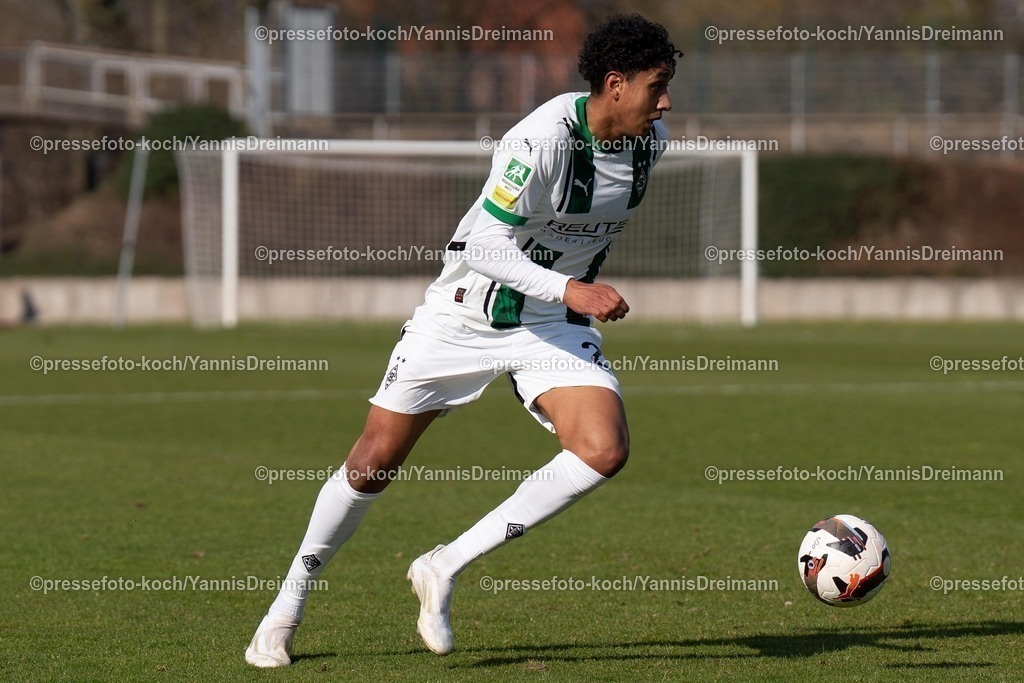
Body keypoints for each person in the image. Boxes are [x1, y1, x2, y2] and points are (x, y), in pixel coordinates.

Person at [245, 13, 680, 667]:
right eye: (657, 86)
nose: (667, 102)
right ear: (615, 85)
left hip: (547, 325)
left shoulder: (652, 143)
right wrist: (572, 289)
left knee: (603, 447)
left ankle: (444, 565)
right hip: (464, 313)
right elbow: (478, 244)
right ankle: (282, 612)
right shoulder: (539, 141)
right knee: (372, 461)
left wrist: (564, 296)